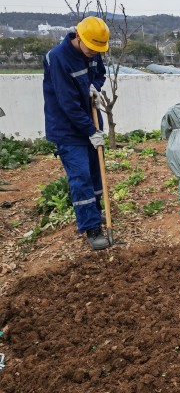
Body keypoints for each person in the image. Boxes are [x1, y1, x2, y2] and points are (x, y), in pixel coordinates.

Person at [42, 16, 111, 250]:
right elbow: (68, 104)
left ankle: (96, 211)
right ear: (78, 37)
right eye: (91, 48)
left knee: (95, 171)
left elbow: (99, 74)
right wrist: (91, 130)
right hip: (67, 128)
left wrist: (96, 86)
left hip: (89, 120)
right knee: (80, 176)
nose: (94, 52)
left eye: (98, 49)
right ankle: (91, 227)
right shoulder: (58, 59)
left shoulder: (93, 51)